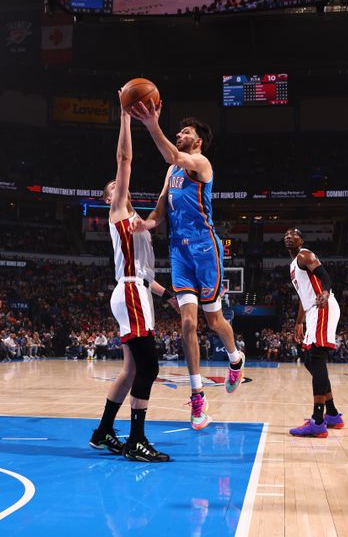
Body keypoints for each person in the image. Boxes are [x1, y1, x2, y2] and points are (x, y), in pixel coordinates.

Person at [128, 101, 245, 431]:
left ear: (198, 141)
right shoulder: (172, 171)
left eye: (185, 131)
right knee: (188, 323)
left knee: (214, 319)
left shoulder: (200, 163)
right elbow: (161, 206)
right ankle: (197, 397)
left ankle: (235, 358)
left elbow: (172, 155)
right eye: (177, 130)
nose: (180, 133)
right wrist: (148, 224)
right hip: (179, 252)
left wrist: (152, 124)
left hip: (205, 249)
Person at [89, 96, 178, 462]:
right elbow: (123, 160)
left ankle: (104, 431)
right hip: (128, 292)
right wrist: (126, 118)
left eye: (119, 187)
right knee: (150, 366)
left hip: (137, 289)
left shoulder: (138, 225)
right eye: (113, 188)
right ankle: (136, 439)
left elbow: (145, 275)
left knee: (130, 369)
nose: (118, 188)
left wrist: (167, 293)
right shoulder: (118, 213)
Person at [284, 228, 344, 438]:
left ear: (301, 240)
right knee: (309, 360)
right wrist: (298, 322)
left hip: (322, 306)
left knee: (317, 359)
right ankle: (333, 415)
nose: (288, 237)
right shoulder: (293, 265)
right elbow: (303, 295)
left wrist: (326, 291)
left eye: (293, 234)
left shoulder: (304, 255)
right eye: (286, 235)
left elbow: (324, 275)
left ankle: (318, 421)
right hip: (312, 311)